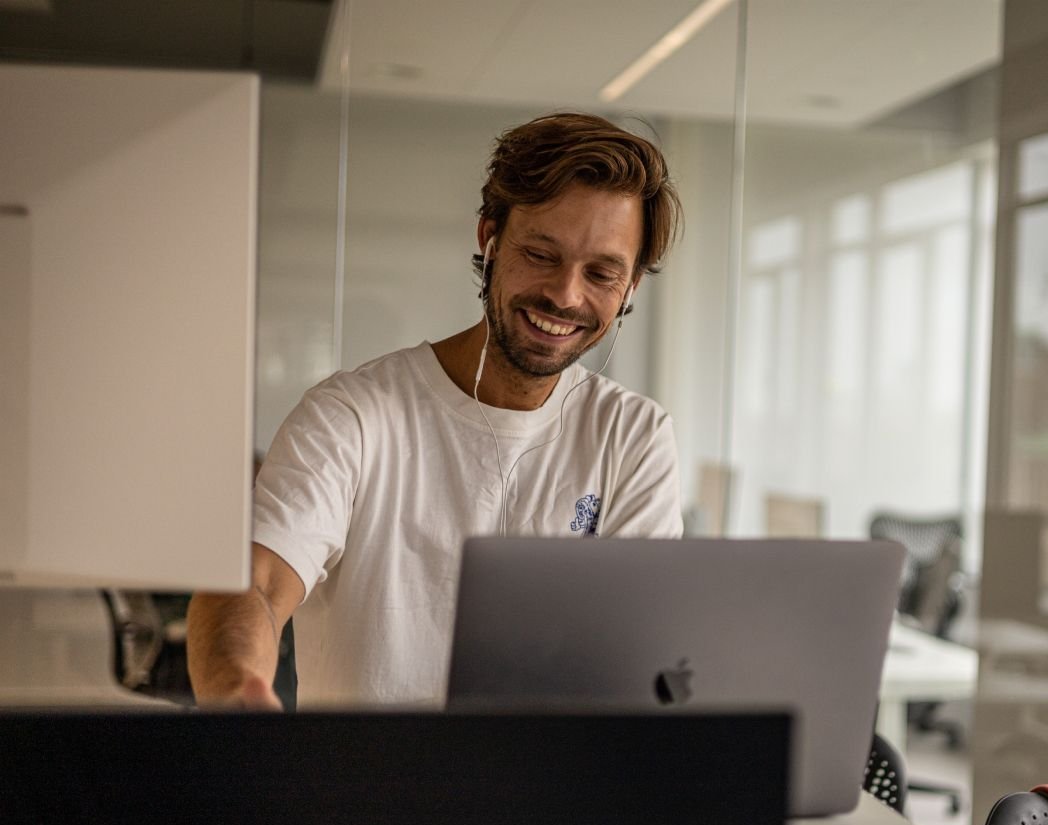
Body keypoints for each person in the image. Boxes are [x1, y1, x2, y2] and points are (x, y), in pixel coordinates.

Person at [188, 113, 685, 710]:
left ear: (630, 288)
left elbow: (638, 651)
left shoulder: (634, 436)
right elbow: (258, 584)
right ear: (489, 238)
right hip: (367, 797)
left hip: (549, 795)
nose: (566, 295)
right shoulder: (353, 415)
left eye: (602, 273)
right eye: (540, 254)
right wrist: (236, 688)